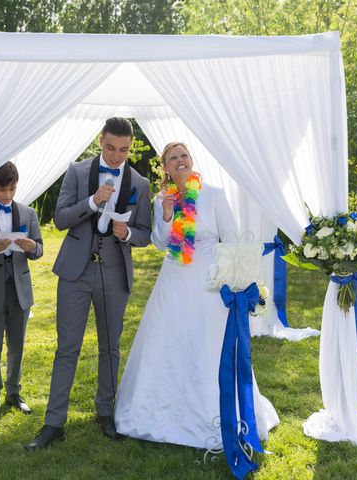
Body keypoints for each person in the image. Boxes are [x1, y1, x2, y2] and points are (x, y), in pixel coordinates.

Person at [115, 142, 279, 449]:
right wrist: (165, 215)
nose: (180, 161)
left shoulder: (214, 195)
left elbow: (231, 240)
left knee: (209, 343)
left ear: (191, 160)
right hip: (173, 281)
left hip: (209, 285)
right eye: (173, 158)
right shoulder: (163, 198)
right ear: (165, 166)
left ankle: (217, 409)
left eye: (184, 156)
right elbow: (162, 244)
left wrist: (237, 282)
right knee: (167, 340)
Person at [25, 117, 152, 450]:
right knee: (67, 347)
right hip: (75, 272)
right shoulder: (78, 172)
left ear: (130, 147)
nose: (116, 156)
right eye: (110, 148)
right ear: (100, 140)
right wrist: (93, 202)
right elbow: (60, 218)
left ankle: (106, 412)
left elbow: (146, 233)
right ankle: (53, 422)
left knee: (110, 346)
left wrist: (131, 234)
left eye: (123, 150)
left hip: (114, 271)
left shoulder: (140, 183)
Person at [0, 161, 43, 422]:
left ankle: (14, 392)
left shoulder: (28, 213)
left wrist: (30, 247)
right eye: (3, 190)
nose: (8, 195)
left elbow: (39, 250)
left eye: (12, 189)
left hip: (20, 289)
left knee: (17, 345)